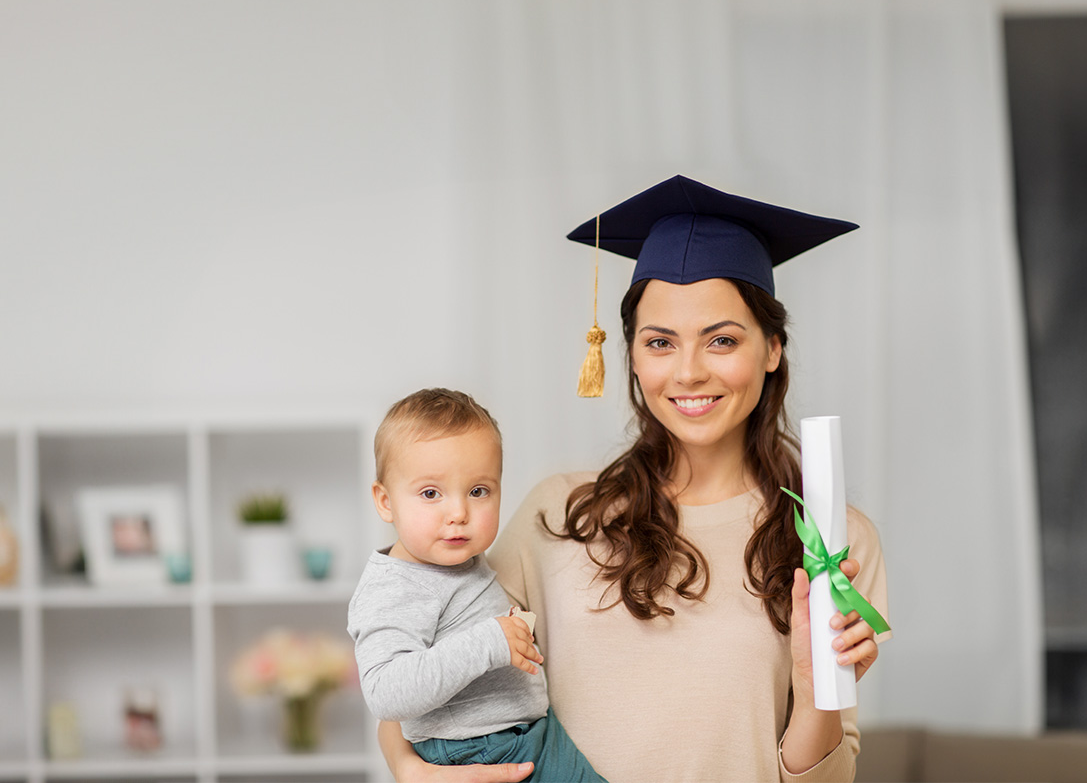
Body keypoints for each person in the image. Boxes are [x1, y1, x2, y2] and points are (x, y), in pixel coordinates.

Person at [379, 175, 888, 782]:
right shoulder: (558, 514)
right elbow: (418, 661)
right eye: (660, 342)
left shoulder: (829, 539)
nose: (690, 371)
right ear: (632, 355)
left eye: (722, 340)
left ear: (772, 347)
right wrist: (406, 768)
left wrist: (812, 688)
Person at [348, 388, 607, 782]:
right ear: (385, 502)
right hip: (474, 749)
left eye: (478, 491)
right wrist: (491, 641)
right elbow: (386, 692)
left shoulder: (459, 557)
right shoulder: (394, 589)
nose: (458, 513)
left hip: (532, 732)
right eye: (431, 493)